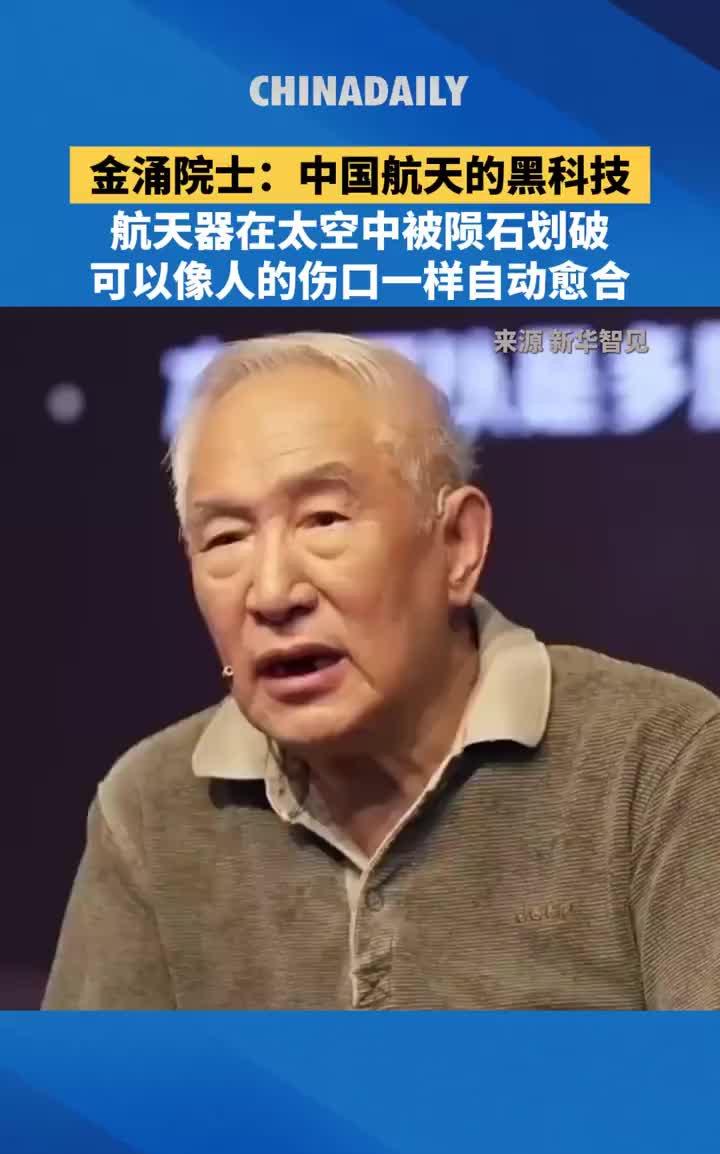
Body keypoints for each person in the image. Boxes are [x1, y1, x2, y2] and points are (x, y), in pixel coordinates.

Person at [43, 332, 720, 1011]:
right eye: (225, 538)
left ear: (457, 544)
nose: (272, 593)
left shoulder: (661, 764)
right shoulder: (150, 808)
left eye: (324, 519)